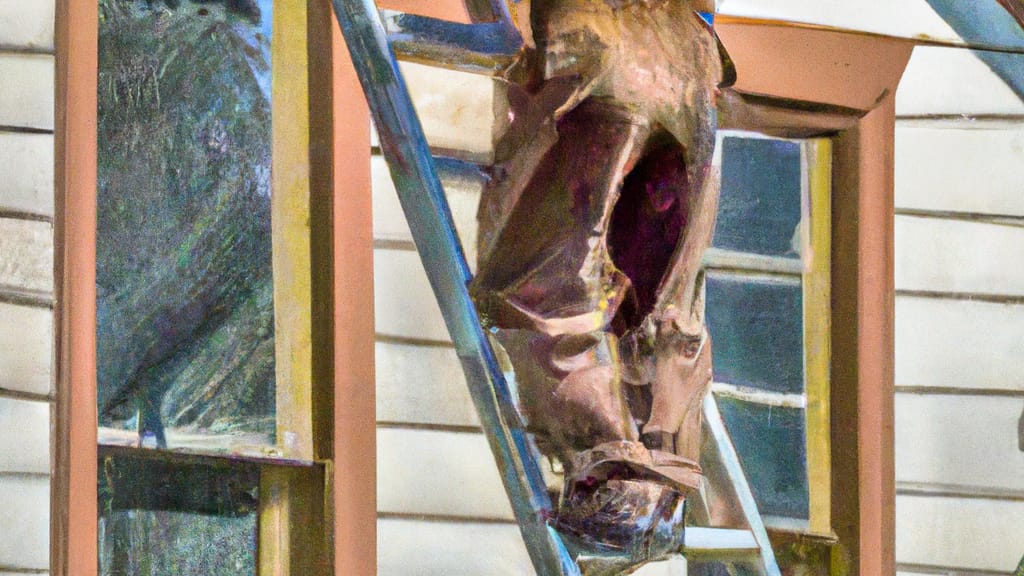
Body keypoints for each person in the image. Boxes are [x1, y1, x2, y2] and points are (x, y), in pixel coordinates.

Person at [469, 0, 734, 568]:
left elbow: (540, 290)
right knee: (662, 308)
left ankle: (619, 488)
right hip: (690, 61)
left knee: (550, 281)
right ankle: (650, 496)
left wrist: (601, 461)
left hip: (598, 41)